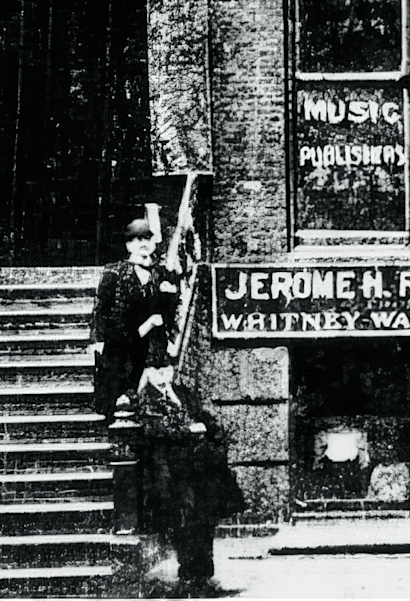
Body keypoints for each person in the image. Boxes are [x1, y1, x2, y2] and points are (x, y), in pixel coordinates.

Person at [138, 368, 246, 597]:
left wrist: (214, 435)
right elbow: (155, 430)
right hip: (173, 475)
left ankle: (204, 576)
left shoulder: (182, 392)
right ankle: (188, 577)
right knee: (184, 523)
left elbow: (204, 417)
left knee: (205, 522)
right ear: (147, 374)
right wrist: (188, 430)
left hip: (199, 472)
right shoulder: (146, 399)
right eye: (155, 371)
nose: (162, 375)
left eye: (165, 369)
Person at [91, 216, 179, 421]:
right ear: (128, 245)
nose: (143, 244)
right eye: (137, 240)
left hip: (149, 343)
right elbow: (101, 308)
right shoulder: (114, 272)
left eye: (147, 239)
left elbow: (169, 310)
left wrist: (169, 293)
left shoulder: (160, 273)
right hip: (121, 340)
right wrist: (97, 338)